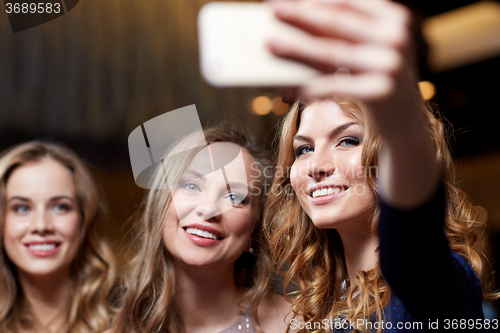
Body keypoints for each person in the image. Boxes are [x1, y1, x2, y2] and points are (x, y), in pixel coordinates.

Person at [264, 0, 499, 332]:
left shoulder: (431, 289)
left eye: (348, 140)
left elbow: (413, 260)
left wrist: (400, 127)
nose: (316, 165)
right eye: (303, 149)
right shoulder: (319, 306)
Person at [113, 127, 293, 333]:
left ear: (253, 234)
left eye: (234, 197)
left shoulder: (300, 325)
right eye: (191, 186)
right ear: (160, 207)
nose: (208, 209)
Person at [0, 141, 117, 333]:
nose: (41, 226)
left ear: (83, 220)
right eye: (22, 208)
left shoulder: (130, 323)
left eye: (60, 207)